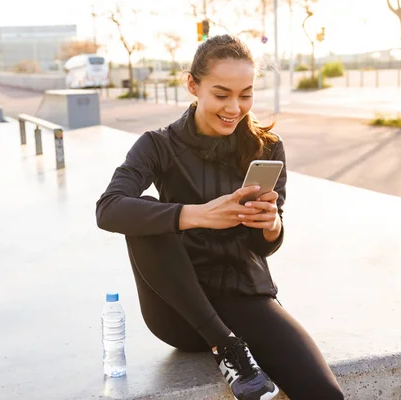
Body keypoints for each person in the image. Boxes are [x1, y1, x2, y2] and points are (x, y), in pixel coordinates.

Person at [96, 34, 344, 400]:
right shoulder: (157, 145)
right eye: (222, 94)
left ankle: (234, 346)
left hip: (243, 297)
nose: (235, 107)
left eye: (246, 94)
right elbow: (109, 208)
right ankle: (227, 348)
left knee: (325, 394)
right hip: (179, 310)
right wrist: (196, 215)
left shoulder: (268, 146)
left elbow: (263, 246)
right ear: (193, 85)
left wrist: (272, 226)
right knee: (145, 218)